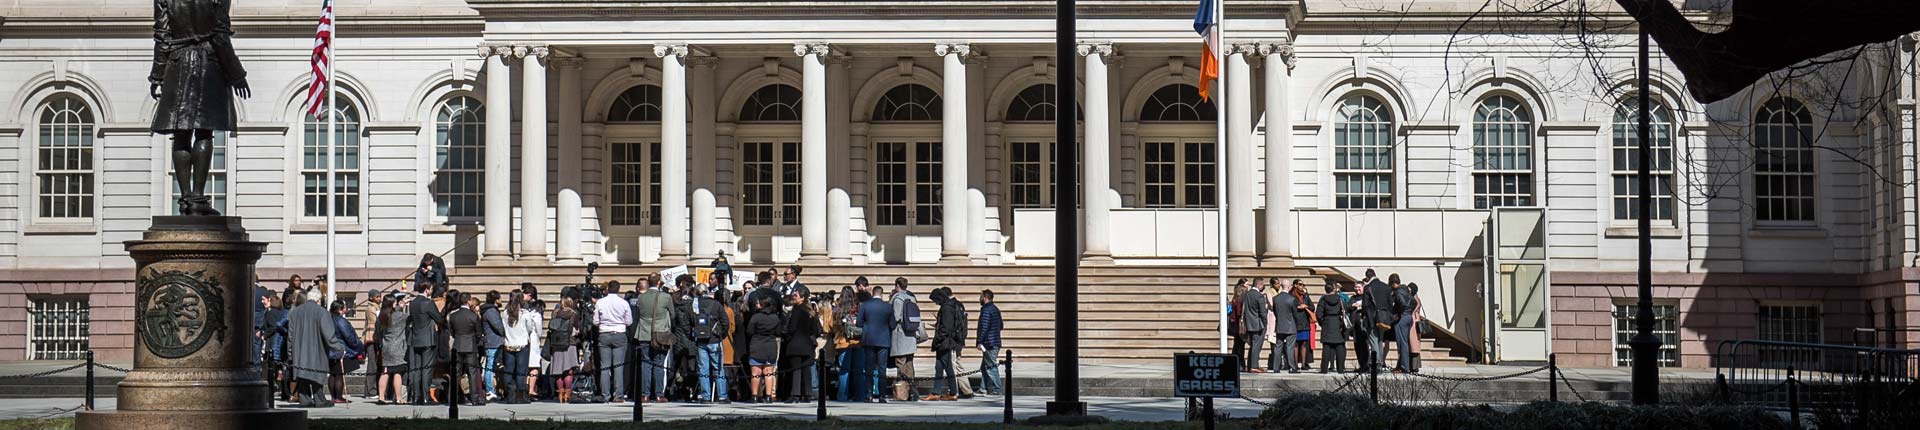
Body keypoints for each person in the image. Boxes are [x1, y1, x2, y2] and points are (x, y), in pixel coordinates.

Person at [288, 289, 343, 408]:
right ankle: (320, 400)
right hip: (317, 350)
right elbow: (329, 335)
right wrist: (339, 347)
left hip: (300, 351)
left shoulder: (295, 312)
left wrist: (290, 353)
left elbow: (290, 336)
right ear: (318, 300)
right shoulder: (322, 312)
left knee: (302, 375)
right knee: (316, 374)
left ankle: (305, 400)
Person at [633, 274, 674, 403]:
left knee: (646, 364)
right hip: (660, 334)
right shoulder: (666, 297)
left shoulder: (641, 297)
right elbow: (673, 314)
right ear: (659, 283)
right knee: (659, 364)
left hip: (644, 333)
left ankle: (645, 395)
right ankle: (658, 394)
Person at [689, 281, 731, 403]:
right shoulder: (716, 304)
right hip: (715, 340)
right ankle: (722, 396)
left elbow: (690, 322)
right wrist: (721, 334)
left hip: (701, 341)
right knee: (718, 368)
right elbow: (725, 322)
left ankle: (706, 396)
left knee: (703, 369)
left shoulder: (694, 305)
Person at [404, 279, 444, 405]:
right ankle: (426, 396)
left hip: (415, 339)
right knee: (426, 369)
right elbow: (439, 319)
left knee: (416, 369)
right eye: (431, 289)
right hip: (428, 339)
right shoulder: (428, 303)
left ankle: (416, 396)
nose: (431, 291)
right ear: (427, 289)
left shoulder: (413, 303)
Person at [781, 286, 822, 403]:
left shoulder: (797, 310)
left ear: (802, 297)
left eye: (795, 295)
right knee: (806, 370)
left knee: (796, 369)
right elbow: (816, 329)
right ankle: (808, 394)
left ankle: (795, 394)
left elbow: (792, 327)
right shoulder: (811, 311)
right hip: (808, 344)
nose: (793, 297)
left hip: (796, 343)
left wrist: (787, 336)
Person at [856, 280, 894, 403]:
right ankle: (882, 395)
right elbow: (892, 324)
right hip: (883, 340)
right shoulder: (888, 306)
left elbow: (858, 323)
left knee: (869, 368)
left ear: (873, 293)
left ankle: (869, 395)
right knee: (882, 368)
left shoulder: (865, 305)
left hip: (869, 339)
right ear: (882, 294)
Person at [594, 280, 632, 403]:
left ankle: (605, 395)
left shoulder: (600, 302)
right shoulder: (624, 303)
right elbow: (629, 321)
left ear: (608, 288)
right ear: (619, 289)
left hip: (604, 333)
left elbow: (595, 321)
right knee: (618, 366)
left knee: (604, 367)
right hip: (619, 333)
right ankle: (618, 395)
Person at [501, 291, 542, 404]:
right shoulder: (525, 313)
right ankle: (521, 396)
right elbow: (529, 328)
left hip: (509, 344)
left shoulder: (505, 313)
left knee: (508, 371)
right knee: (521, 372)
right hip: (522, 344)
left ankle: (510, 395)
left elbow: (503, 328)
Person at [446, 291, 486, 406]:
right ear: (468, 301)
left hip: (457, 345)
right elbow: (479, 333)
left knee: (456, 373)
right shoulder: (473, 316)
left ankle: (452, 398)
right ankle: (474, 398)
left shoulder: (453, 315)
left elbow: (452, 331)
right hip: (470, 345)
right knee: (472, 372)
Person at [887, 277, 922, 401]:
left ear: (897, 285)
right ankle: (912, 392)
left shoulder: (897, 299)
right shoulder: (911, 298)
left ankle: (902, 393)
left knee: (900, 364)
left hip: (900, 336)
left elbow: (895, 317)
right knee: (909, 364)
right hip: (911, 336)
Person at [930, 287, 967, 401]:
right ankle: (937, 392)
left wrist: (938, 339)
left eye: (935, 300)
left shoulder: (946, 308)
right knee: (939, 366)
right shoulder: (951, 306)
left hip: (944, 342)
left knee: (948, 367)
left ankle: (952, 392)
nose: (935, 303)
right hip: (946, 341)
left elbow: (946, 328)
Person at [328, 299, 366, 404]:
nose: (346, 309)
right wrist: (359, 347)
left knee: (333, 374)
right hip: (341, 350)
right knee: (339, 374)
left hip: (330, 350)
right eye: (344, 307)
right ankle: (338, 397)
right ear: (340, 309)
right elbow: (349, 337)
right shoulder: (341, 321)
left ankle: (333, 397)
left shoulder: (328, 319)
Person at [745, 294, 781, 403]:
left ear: (762, 304)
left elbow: (749, 331)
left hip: (757, 344)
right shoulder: (775, 317)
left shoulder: (756, 317)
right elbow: (778, 332)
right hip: (770, 346)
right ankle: (769, 396)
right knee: (769, 372)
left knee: (755, 373)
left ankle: (755, 396)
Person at [376, 292, 410, 404]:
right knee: (397, 372)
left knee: (385, 372)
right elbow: (410, 318)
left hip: (386, 346)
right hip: (398, 347)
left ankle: (381, 397)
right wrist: (405, 305)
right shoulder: (400, 316)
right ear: (392, 304)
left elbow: (378, 333)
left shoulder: (381, 316)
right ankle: (399, 398)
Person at [546, 296, 581, 403]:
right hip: (569, 343)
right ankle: (567, 394)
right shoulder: (574, 314)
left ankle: (560, 394)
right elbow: (578, 329)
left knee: (558, 371)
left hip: (556, 344)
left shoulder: (555, 313)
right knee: (568, 371)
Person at [830, 285, 861, 401]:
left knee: (844, 371)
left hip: (842, 342)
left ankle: (842, 396)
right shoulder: (858, 308)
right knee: (859, 371)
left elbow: (831, 326)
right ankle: (860, 396)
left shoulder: (837, 309)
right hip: (858, 341)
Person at [975, 289, 1004, 396]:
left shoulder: (986, 310)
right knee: (985, 366)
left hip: (989, 343)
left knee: (991, 366)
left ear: (985, 298)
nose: (979, 299)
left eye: (980, 297)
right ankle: (983, 388)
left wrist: (980, 341)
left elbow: (984, 327)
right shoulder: (995, 309)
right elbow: (1001, 325)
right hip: (995, 341)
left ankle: (997, 388)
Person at [1316, 282, 1349, 374]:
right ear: (1334, 289)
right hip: (1338, 323)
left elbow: (1318, 314)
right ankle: (1341, 369)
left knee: (1326, 347)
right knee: (1340, 346)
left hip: (1327, 323)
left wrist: (1322, 323)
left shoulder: (1323, 299)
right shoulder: (1340, 299)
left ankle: (1324, 369)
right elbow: (1345, 310)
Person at [479, 290, 506, 401]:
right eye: (499, 298)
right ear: (496, 300)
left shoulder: (489, 310)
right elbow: (498, 326)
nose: (501, 300)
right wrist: (504, 334)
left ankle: (491, 390)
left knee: (491, 366)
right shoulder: (491, 311)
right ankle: (490, 390)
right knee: (490, 367)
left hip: (492, 341)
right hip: (493, 342)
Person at [1239, 278, 1269, 373]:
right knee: (1256, 345)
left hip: (1249, 323)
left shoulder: (1246, 294)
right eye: (1262, 285)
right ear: (1259, 285)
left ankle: (1251, 365)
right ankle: (1253, 366)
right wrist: (1265, 323)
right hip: (1258, 324)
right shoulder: (1259, 296)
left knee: (1252, 345)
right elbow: (1263, 312)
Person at [357, 289, 383, 399]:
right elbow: (375, 321)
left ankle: (373, 390)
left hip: (376, 339)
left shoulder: (377, 308)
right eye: (377, 297)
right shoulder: (370, 308)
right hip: (371, 339)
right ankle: (370, 391)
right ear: (371, 297)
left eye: (380, 296)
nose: (379, 299)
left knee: (377, 365)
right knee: (372, 365)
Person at [1267, 280, 1297, 373]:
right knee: (1290, 347)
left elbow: (1275, 312)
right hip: (1290, 326)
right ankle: (1292, 367)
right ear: (1289, 286)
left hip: (1280, 325)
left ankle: (1276, 367)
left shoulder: (1275, 298)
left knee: (1278, 347)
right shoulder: (1292, 299)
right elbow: (1295, 313)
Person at [1290, 280, 1317, 372]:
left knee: (1304, 343)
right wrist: (1298, 307)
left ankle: (1304, 363)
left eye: (1303, 285)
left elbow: (1312, 307)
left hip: (1305, 322)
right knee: (1296, 344)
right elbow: (1290, 307)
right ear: (1295, 285)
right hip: (1295, 322)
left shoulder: (1305, 295)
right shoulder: (1291, 295)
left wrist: (1306, 306)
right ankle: (1295, 364)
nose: (1302, 286)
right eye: (1300, 284)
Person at [1392, 279, 1417, 373]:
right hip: (1409, 317)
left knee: (1402, 343)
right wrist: (1409, 311)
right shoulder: (1409, 295)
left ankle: (1404, 366)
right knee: (1405, 342)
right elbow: (1415, 303)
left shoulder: (1399, 292)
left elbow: (1402, 304)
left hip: (1402, 318)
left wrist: (1398, 313)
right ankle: (1403, 365)